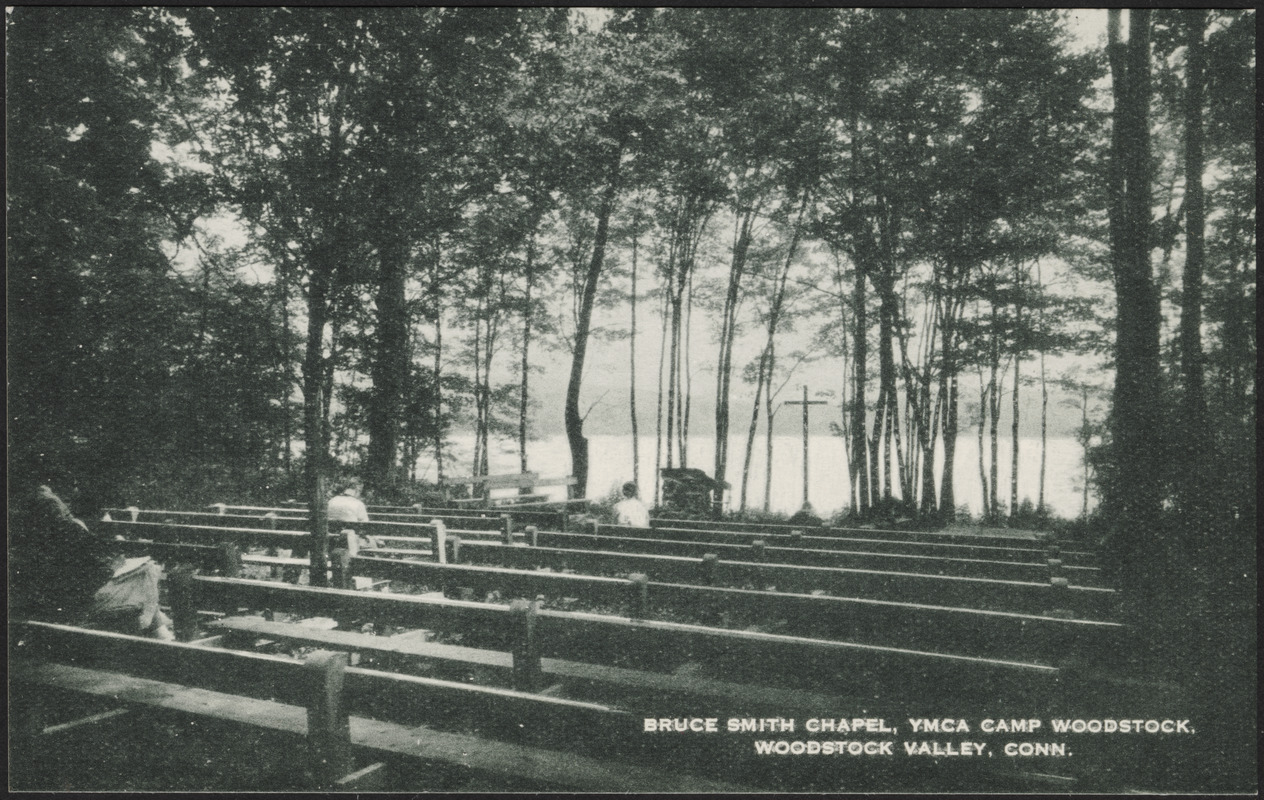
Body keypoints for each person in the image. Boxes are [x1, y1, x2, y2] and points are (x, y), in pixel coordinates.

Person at [12, 485, 173, 640]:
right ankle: (163, 636)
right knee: (145, 573)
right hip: (74, 608)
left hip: (46, 606)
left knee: (138, 585)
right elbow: (99, 573)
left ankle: (161, 631)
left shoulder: (23, 537)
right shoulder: (70, 532)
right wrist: (116, 566)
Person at [327, 478, 378, 549]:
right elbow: (364, 525)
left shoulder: (331, 501)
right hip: (350, 541)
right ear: (358, 490)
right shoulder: (358, 504)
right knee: (372, 541)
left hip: (330, 539)